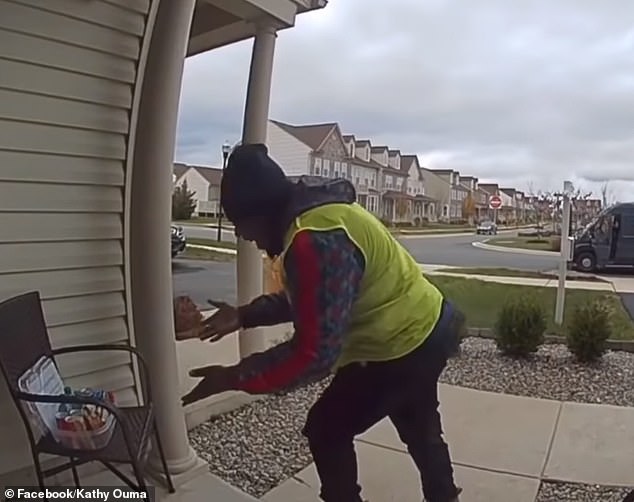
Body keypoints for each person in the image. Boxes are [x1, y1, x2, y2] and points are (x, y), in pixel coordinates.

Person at [181, 143, 464, 502]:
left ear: (261, 211)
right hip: (427, 324)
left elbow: (314, 354)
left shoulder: (314, 240)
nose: (243, 235)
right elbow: (320, 296)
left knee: (327, 428)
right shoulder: (319, 216)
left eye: (241, 223)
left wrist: (233, 376)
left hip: (399, 342)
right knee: (420, 427)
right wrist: (244, 315)